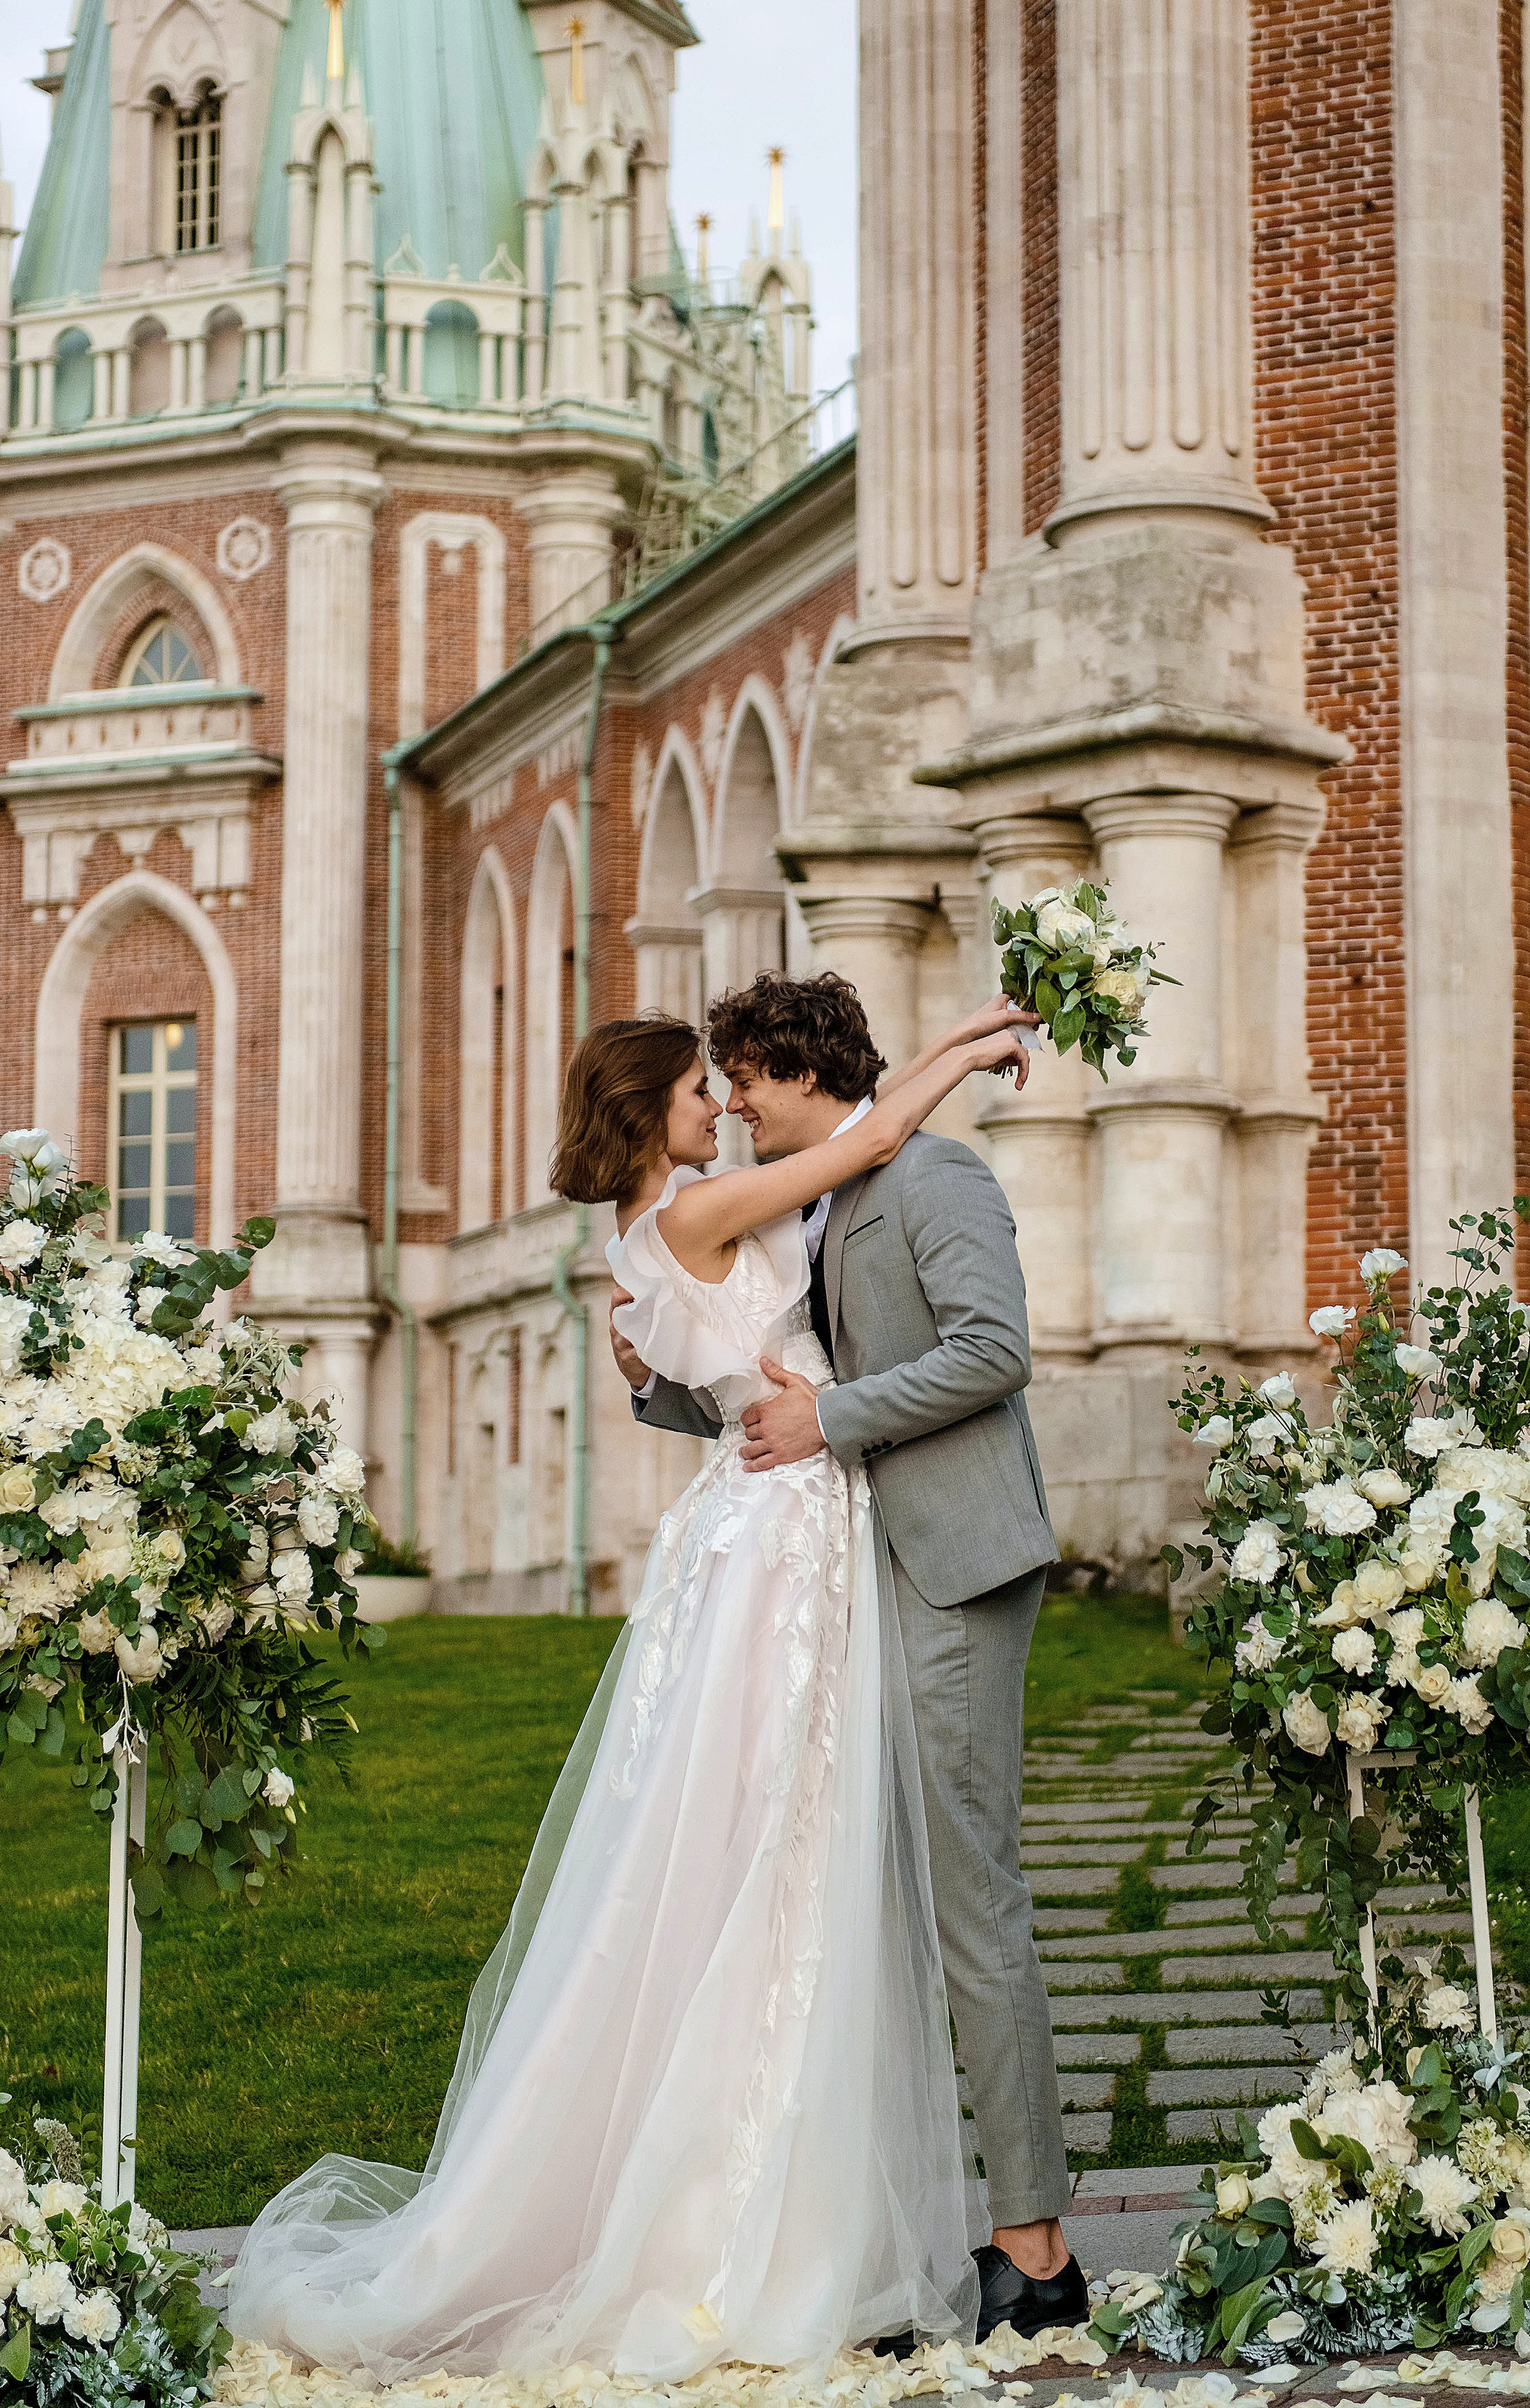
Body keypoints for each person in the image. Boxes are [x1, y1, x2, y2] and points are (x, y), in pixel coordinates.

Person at [227, 994, 1034, 2386]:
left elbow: (821, 1234)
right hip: (787, 1533)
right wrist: (958, 1046)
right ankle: (758, 2219)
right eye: (699, 1088)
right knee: (772, 1851)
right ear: (653, 1104)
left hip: (784, 1518)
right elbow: (870, 1134)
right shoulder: (699, 1211)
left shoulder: (651, 1234)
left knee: (770, 1851)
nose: (718, 1102)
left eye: (733, 1081)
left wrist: (948, 1048)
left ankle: (823, 2203)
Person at [617, 971, 1083, 2347]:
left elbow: (993, 1351)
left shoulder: (934, 1177)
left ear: (788, 1063)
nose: (732, 1101)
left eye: (741, 1075)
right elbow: (773, 1379)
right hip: (837, 1581)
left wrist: (836, 1421)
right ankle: (862, 2232)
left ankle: (1033, 2243)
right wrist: (666, 1377)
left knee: (967, 1898)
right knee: (849, 1903)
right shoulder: (808, 1195)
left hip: (950, 1564)